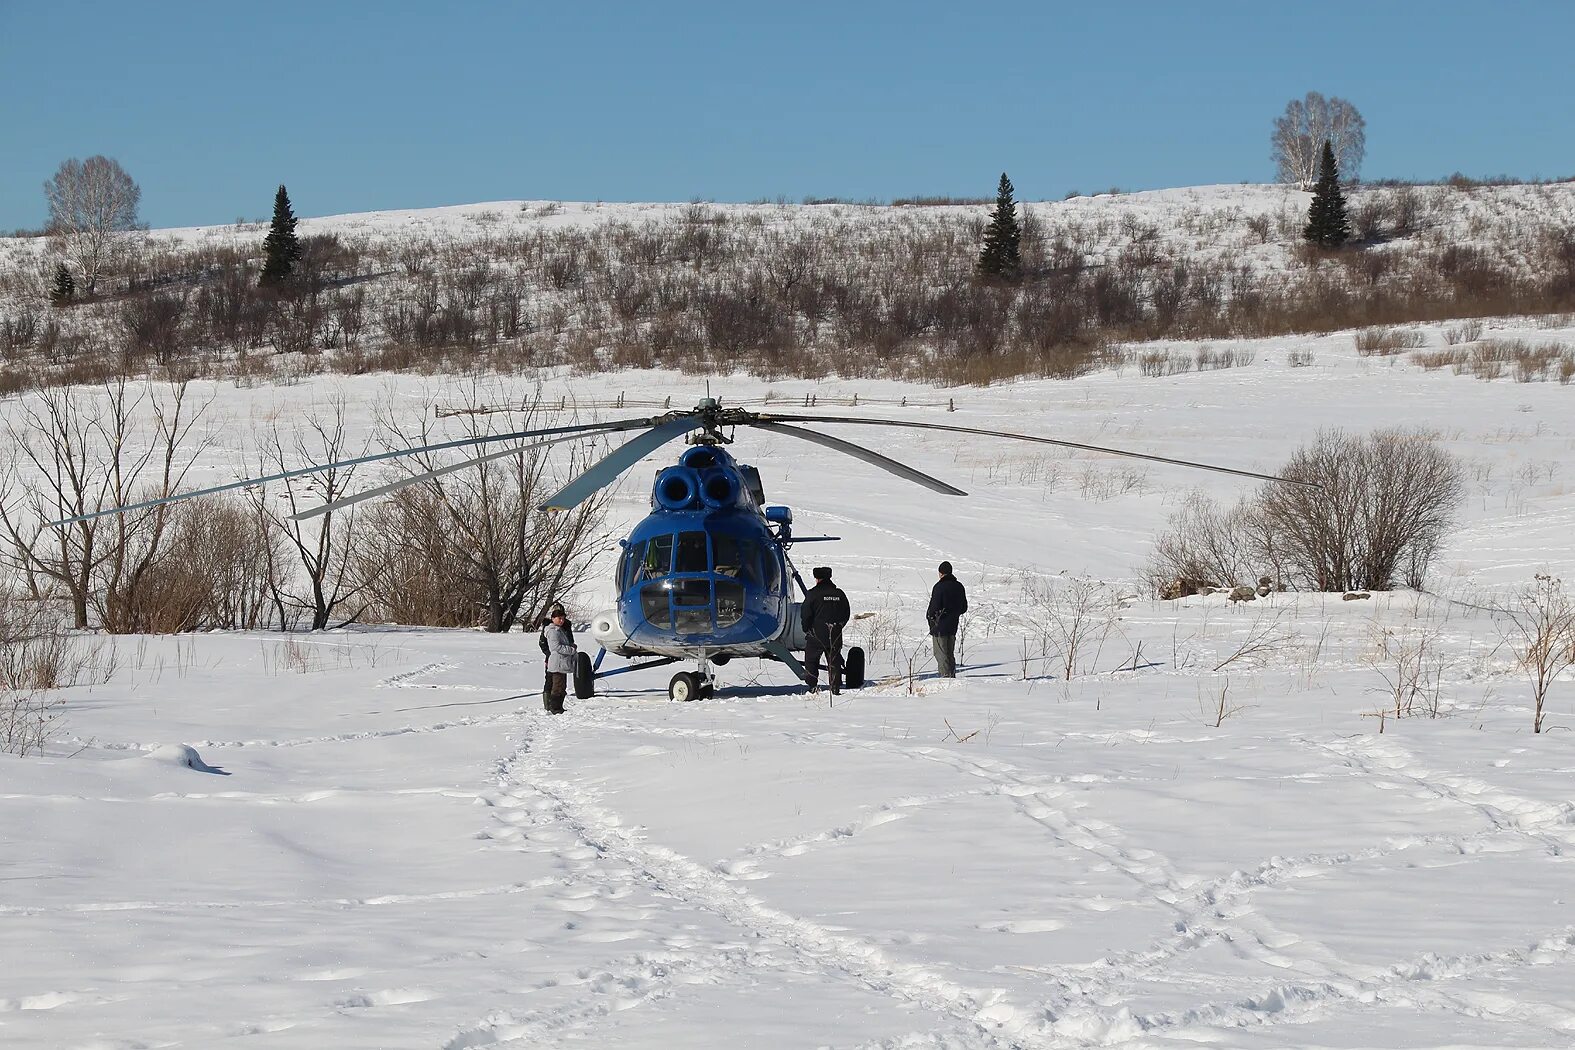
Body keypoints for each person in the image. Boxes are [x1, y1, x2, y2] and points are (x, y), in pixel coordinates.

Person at [800, 566, 850, 694]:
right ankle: (835, 687)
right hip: (835, 633)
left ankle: (812, 686)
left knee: (811, 660)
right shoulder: (839, 594)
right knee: (834, 660)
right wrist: (838, 626)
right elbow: (846, 613)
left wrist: (806, 628)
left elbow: (805, 613)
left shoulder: (813, 594)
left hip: (816, 634)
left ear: (817, 579)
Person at [927, 561, 968, 678]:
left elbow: (934, 607)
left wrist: (931, 619)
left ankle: (946, 679)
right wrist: (954, 613)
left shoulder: (939, 587)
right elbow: (964, 607)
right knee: (950, 654)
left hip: (939, 626)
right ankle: (952, 677)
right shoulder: (959, 586)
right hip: (953, 625)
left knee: (941, 654)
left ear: (940, 573)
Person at [539, 604, 578, 714]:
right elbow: (546, 644)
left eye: (562, 616)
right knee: (552, 682)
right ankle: (551, 707)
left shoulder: (565, 626)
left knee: (560, 684)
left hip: (562, 658)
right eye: (558, 616)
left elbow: (569, 639)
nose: (561, 620)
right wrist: (549, 654)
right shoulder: (551, 629)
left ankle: (555, 706)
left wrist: (571, 647)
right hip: (554, 657)